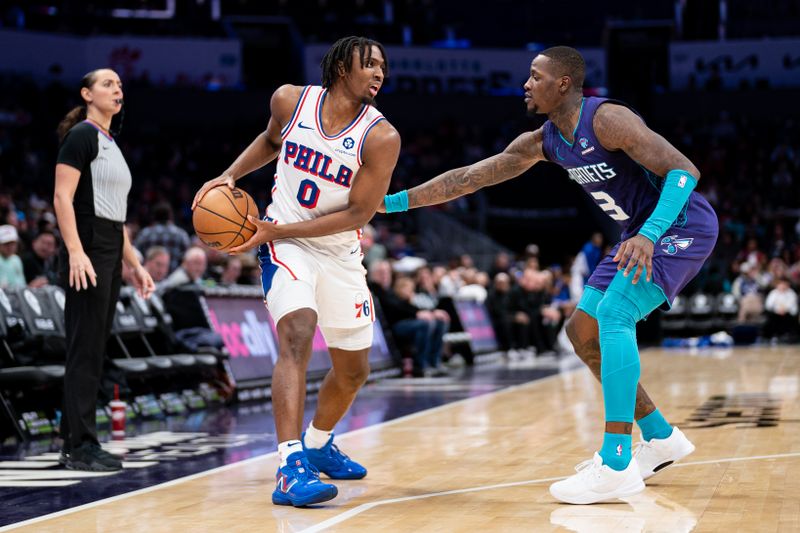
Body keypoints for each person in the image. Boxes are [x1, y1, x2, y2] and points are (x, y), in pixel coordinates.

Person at [382, 46, 718, 504]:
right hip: (635, 232)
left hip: (680, 225)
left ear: (563, 83)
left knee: (615, 313)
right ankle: (660, 437)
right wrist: (389, 202)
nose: (526, 83)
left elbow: (684, 171)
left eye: (535, 76)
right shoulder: (544, 141)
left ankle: (616, 459)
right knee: (581, 333)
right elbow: (468, 178)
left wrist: (650, 235)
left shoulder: (607, 120)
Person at [192, 36, 400, 507]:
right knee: (297, 333)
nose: (378, 73)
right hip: (286, 247)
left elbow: (357, 214)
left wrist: (273, 230)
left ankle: (319, 443)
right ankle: (289, 466)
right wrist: (229, 176)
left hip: (338, 251)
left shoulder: (381, 136)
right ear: (342, 67)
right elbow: (270, 140)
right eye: (369, 64)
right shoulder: (291, 100)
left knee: (353, 371)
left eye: (383, 66)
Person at [54, 69, 155, 472]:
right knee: (84, 347)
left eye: (119, 85)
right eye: (107, 84)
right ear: (87, 94)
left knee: (95, 348)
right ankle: (78, 446)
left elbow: (117, 216)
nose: (118, 89)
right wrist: (75, 251)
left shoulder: (111, 143)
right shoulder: (82, 135)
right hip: (90, 245)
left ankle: (79, 440)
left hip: (109, 244)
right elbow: (62, 198)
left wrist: (135, 265)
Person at [134, 202, 191, 273]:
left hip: (149, 277)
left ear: (153, 217)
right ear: (171, 216)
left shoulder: (145, 234)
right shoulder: (181, 234)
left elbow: (136, 256)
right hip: (174, 279)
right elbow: (188, 257)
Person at [0, 224, 26, 289]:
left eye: (12, 243)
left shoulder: (17, 259)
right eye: (6, 243)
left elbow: (22, 284)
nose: (10, 247)